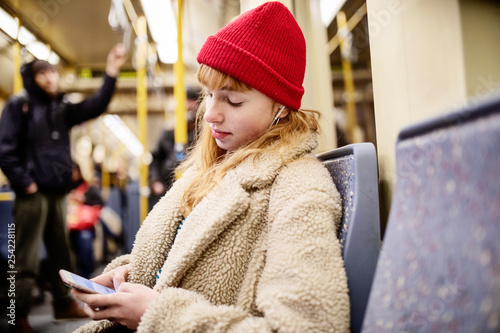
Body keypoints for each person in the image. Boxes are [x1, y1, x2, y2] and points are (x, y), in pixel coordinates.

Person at [74, 3, 350, 332]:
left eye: (233, 101)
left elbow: (309, 326)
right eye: (209, 95)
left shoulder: (300, 187)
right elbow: (194, 259)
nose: (209, 115)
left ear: (281, 108)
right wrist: (132, 274)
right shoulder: (210, 170)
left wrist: (161, 316)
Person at [0, 44, 126, 332]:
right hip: (32, 193)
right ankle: (15, 315)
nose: (50, 78)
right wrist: (25, 183)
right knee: (26, 256)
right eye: (43, 73)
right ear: (32, 78)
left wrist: (111, 71)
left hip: (57, 192)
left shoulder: (60, 109)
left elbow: (96, 105)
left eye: (53, 73)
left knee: (60, 252)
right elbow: (5, 150)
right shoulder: (19, 106)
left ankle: (61, 303)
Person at [149, 87, 201, 208]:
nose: (189, 105)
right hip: (167, 185)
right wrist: (155, 181)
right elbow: (156, 158)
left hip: (194, 186)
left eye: (193, 101)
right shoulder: (169, 130)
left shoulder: (204, 131)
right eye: (187, 101)